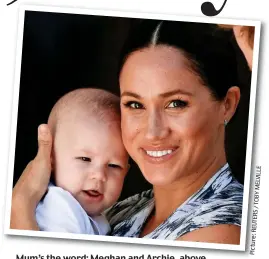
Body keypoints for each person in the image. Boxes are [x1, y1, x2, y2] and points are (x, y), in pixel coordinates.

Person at [11, 20, 243, 244]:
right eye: (135, 104)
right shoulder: (123, 210)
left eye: (176, 104)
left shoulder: (222, 232)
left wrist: (20, 209)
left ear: (227, 104)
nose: (152, 132)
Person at [35, 88, 129, 234]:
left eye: (113, 165)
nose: (99, 175)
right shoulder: (58, 208)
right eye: (85, 159)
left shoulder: (97, 216)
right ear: (51, 159)